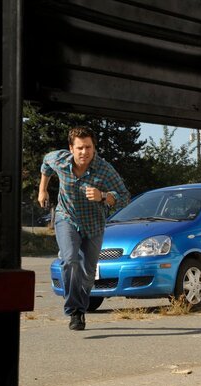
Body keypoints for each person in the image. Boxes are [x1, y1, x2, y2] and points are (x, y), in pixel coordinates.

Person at [39, 126, 130, 331]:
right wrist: (42, 190)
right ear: (71, 148)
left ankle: (80, 304)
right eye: (80, 148)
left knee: (88, 274)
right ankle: (76, 311)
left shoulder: (104, 169)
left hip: (94, 225)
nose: (84, 152)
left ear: (93, 147)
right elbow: (46, 163)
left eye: (88, 147)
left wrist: (104, 196)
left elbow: (124, 197)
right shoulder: (60, 160)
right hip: (67, 218)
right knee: (69, 260)